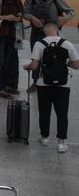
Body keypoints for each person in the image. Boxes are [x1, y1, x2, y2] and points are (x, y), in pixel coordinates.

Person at [23, 20, 79, 152]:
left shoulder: (39, 44)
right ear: (58, 29)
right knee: (62, 114)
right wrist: (66, 64)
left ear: (44, 30)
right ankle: (61, 142)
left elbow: (35, 66)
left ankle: (45, 137)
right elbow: (76, 64)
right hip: (63, 85)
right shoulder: (67, 44)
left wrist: (28, 67)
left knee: (44, 111)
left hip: (44, 84)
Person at [23, 0, 76, 89]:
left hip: (53, 34)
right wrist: (32, 18)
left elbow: (72, 12)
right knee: (35, 58)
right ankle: (35, 82)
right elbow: (24, 12)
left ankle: (53, 79)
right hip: (36, 33)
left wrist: (64, 19)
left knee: (53, 57)